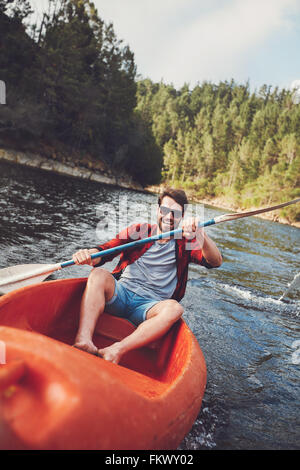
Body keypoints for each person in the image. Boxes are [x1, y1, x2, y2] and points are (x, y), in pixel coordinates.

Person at [72, 188, 222, 364]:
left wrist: (201, 234)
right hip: (121, 294)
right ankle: (84, 341)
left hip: (148, 308)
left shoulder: (186, 241)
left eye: (175, 213)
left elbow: (215, 261)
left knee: (174, 309)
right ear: (158, 210)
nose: (169, 217)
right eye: (165, 210)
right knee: (98, 274)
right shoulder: (139, 231)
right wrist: (89, 254)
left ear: (182, 216)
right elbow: (106, 250)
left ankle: (116, 350)